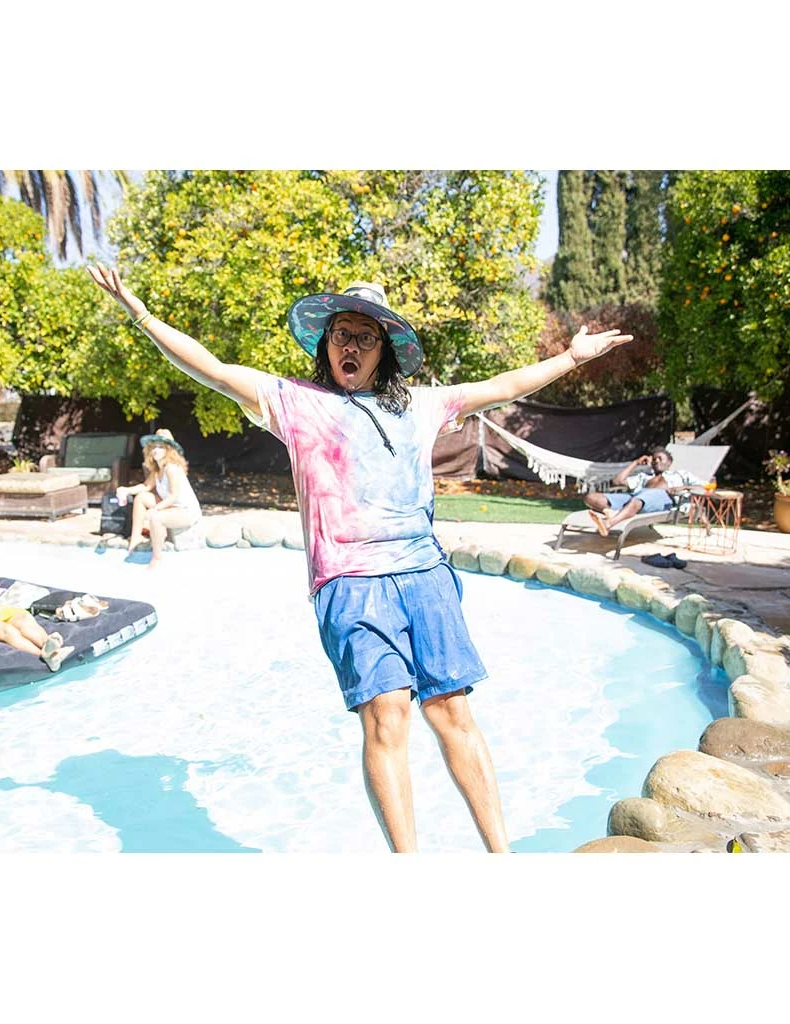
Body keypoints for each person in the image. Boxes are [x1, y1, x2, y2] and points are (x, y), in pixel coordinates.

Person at [88, 263, 633, 852]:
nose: (351, 346)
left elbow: (504, 386)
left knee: (451, 712)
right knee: (386, 714)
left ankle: (503, 858)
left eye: (365, 337)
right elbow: (212, 369)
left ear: (384, 351)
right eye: (342, 334)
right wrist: (141, 313)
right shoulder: (293, 402)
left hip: (425, 574)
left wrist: (571, 357)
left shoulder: (421, 405)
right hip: (350, 582)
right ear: (326, 343)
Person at [115, 428, 202, 568]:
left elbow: (173, 496)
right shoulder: (157, 469)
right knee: (141, 497)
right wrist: (126, 490)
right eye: (154, 446)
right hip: (172, 506)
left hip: (185, 511)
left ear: (168, 450)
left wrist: (156, 509)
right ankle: (135, 537)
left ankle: (156, 558)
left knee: (156, 518)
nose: (156, 450)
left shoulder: (171, 468)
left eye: (160, 447)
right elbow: (145, 486)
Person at [583, 447, 703, 537]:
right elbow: (617, 481)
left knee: (638, 499)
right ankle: (613, 513)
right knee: (590, 497)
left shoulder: (680, 475)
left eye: (660, 458)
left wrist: (684, 487)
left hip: (662, 498)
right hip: (636, 497)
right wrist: (636, 463)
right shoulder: (644, 477)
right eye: (654, 459)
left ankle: (609, 523)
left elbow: (705, 487)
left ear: (669, 462)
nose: (656, 461)